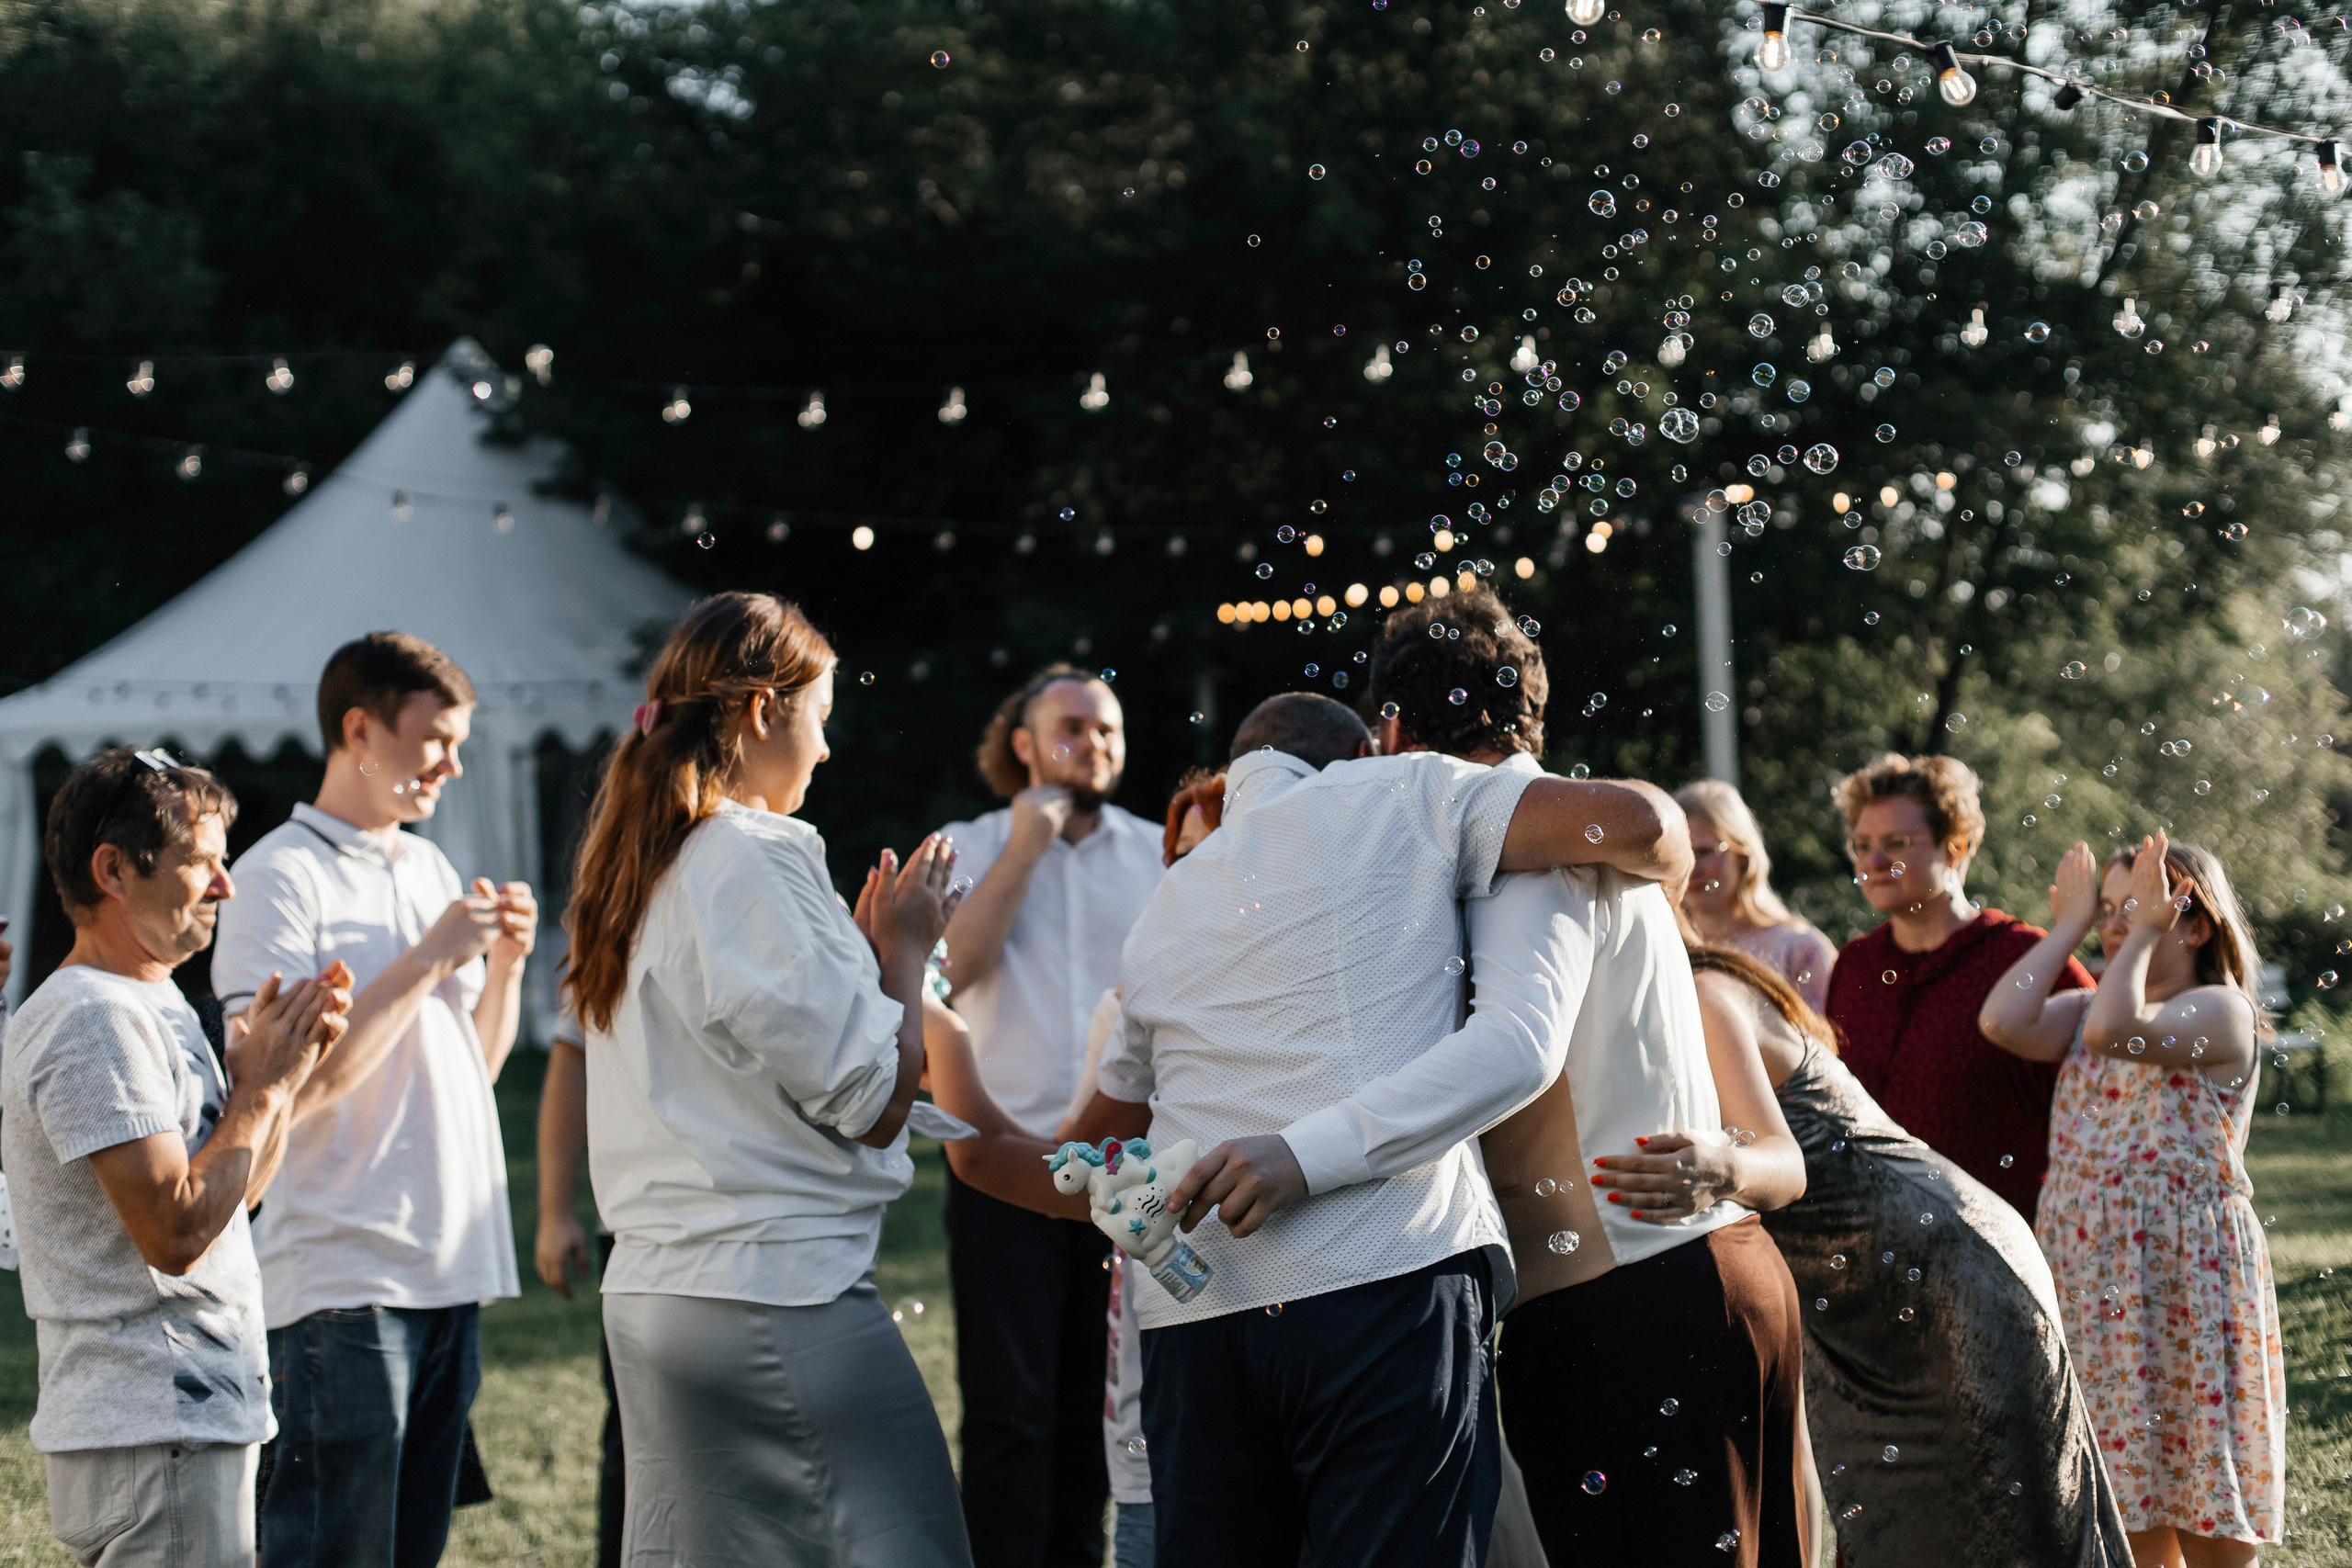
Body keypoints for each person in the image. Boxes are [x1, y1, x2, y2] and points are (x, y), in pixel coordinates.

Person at [1063, 687, 1691, 1567]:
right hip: (1380, 1276)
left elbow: (1104, 1120)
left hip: (1194, 1316)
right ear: (1370, 747)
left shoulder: (1165, 899)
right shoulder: (1404, 788)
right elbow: (1636, 825)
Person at [1359, 594, 1811, 1566]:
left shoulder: (1532, 862)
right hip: (1711, 1277)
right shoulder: (1590, 840)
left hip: (1623, 1309)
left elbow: (1516, 1046)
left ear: (1392, 734)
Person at [562, 591, 974, 1565]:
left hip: (656, 1297)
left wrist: (864, 967)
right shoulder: (750, 853)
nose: (825, 751)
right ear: (759, 711)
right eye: (820, 718)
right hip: (773, 1291)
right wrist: (906, 951)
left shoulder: (638, 865)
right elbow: (874, 1102)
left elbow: (750, 1060)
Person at [211, 631, 537, 1568]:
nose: (452, 764)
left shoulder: (430, 868)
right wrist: (431, 957)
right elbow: (287, 1091)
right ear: (359, 730)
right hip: (342, 1279)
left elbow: (472, 1070)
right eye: (435, 739)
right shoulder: (278, 876)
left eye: (459, 742)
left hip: (451, 1265)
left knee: (411, 1551)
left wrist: (505, 968)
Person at [3, 748, 350, 1567]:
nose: (226, 885)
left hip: (180, 1427)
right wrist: (259, 1089)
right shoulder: (93, 1017)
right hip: (152, 1428)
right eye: (199, 860)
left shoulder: (150, 998)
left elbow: (232, 1203)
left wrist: (284, 1077)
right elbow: (175, 1232)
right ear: (113, 870)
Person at [1691, 940, 2134, 1565]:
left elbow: (1775, 1159)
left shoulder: (1704, 993)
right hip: (1860, 1316)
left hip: (1946, 1275)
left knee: (2012, 1535)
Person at [1980, 836, 2283, 1565]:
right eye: (2109, 909)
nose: (2118, 923)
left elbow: (2119, 1033)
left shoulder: (2220, 1010)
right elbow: (2002, 1022)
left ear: (2196, 924)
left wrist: (2143, 930)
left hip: (2186, 1280)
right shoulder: (2090, 1008)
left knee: (2202, 1471)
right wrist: (2067, 927)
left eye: (2138, 905)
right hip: (2095, 1279)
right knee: (2125, 1486)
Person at [933, 664, 1165, 1568]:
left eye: (1107, 729)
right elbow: (945, 974)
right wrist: (1025, 848)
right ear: (1023, 743)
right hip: (1002, 1167)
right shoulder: (967, 845)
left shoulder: (1159, 853)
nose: (1093, 743)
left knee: (1094, 1414)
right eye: (1071, 726)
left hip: (1125, 1174)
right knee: (1007, 1411)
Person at [1822, 752, 2088, 1221]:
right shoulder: (1856, 964)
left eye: (1896, 843)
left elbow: (2101, 1091)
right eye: (1861, 845)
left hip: (2002, 1236)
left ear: (1955, 847)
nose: (1874, 861)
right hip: (1876, 1229)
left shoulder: (2023, 956)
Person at [534, 1006, 624, 1567]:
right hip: (640, 1232)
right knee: (637, 1443)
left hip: (762, 1229)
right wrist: (554, 1210)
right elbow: (574, 1054)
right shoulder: (609, 943)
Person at [1674, 779, 1837, 1010]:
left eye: (1704, 852)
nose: (1692, 867)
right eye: (1681, 854)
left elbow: (1823, 1033)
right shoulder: (1667, 951)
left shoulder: (1800, 950)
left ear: (1742, 856)